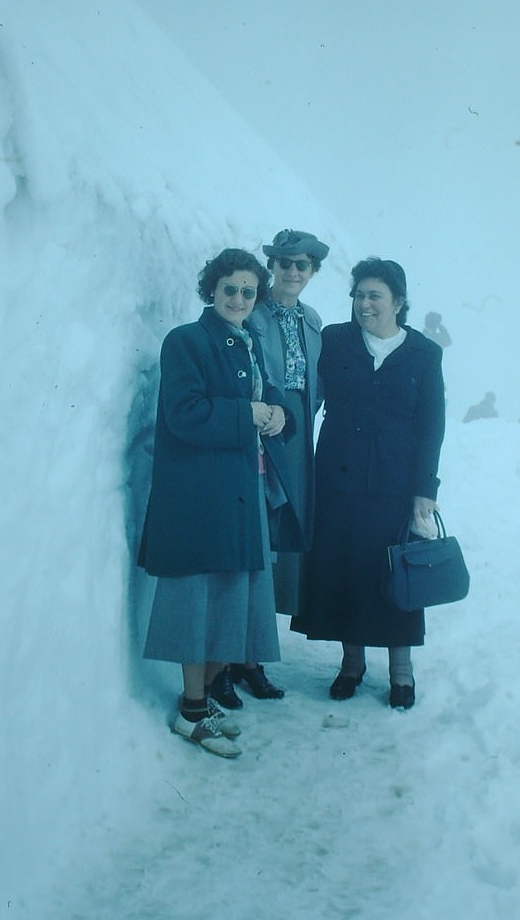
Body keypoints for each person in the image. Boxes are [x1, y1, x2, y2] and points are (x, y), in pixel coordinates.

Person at [137, 248, 303, 756]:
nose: (238, 298)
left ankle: (203, 697)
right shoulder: (186, 341)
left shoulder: (249, 341)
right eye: (229, 288)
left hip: (241, 491)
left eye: (248, 291)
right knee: (198, 596)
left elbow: (272, 399)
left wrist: (279, 416)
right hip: (199, 494)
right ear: (212, 289)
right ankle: (191, 711)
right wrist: (250, 413)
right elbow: (185, 414)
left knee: (233, 596)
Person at [291, 257, 446, 709]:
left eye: (374, 295)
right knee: (344, 569)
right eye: (358, 295)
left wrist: (425, 488)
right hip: (338, 480)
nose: (364, 304)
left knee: (396, 572)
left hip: (396, 485)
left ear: (398, 301)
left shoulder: (423, 354)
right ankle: (352, 664)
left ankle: (402, 670)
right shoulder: (336, 341)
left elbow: (431, 426)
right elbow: (310, 398)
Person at [216, 229, 329, 705]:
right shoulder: (251, 313)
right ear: (272, 268)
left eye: (301, 264)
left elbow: (314, 386)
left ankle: (250, 656)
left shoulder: (312, 320)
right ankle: (229, 660)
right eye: (284, 263)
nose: (292, 272)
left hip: (295, 437)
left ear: (311, 272)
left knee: (277, 548)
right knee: (253, 542)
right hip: (263, 434)